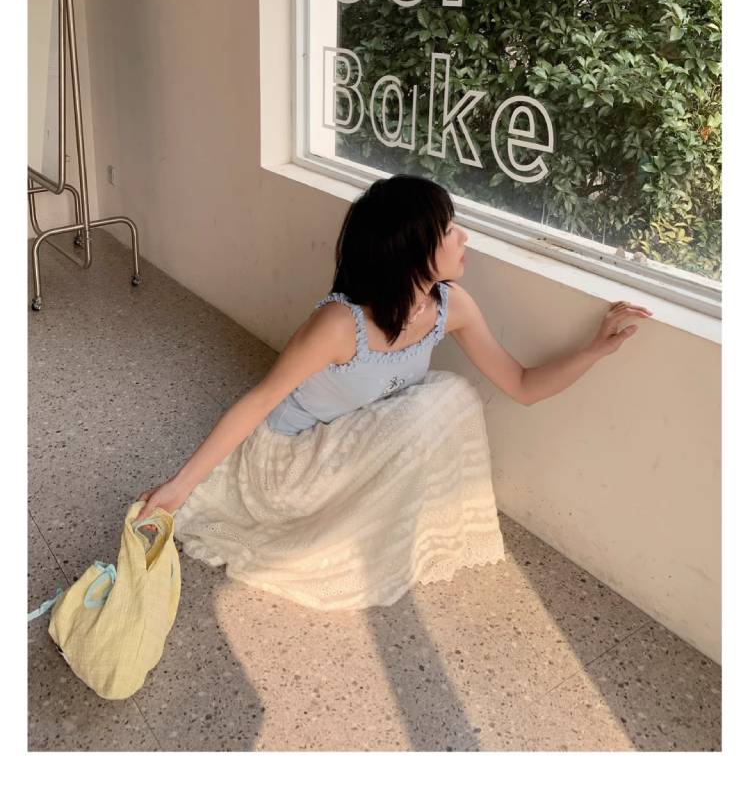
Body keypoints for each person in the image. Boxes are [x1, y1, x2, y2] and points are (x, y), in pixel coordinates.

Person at [135, 174, 652, 610]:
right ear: (410, 248)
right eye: (449, 230)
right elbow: (260, 401)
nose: (464, 237)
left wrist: (595, 349)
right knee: (439, 399)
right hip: (290, 467)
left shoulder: (450, 306)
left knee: (449, 397)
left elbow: (521, 385)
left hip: (351, 450)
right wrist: (181, 487)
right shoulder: (339, 325)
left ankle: (399, 528)